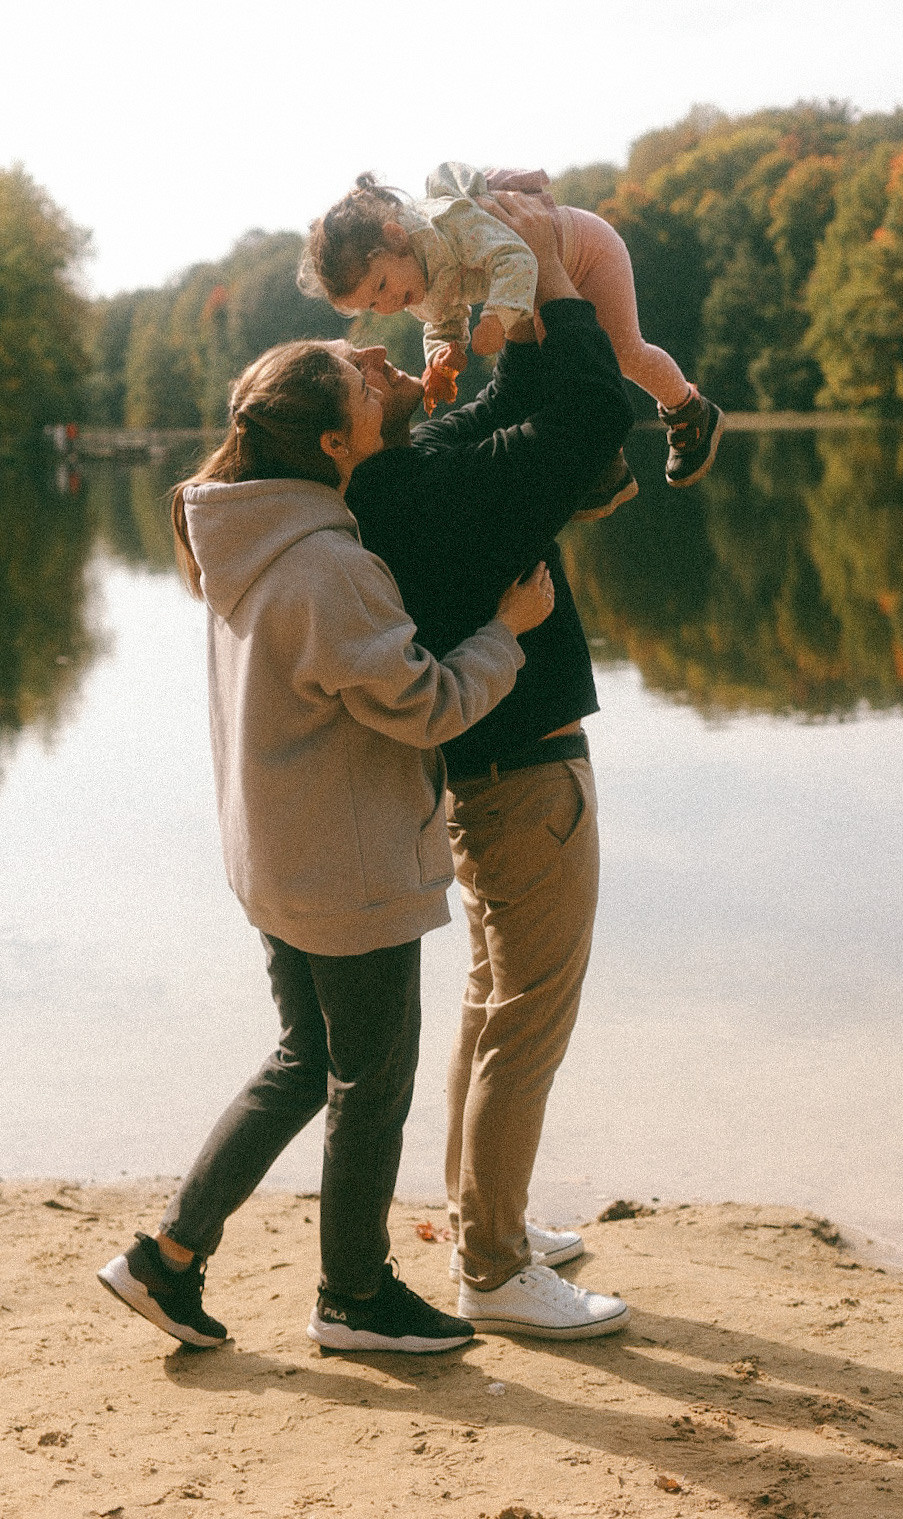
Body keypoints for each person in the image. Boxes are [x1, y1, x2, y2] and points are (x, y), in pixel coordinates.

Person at [97, 338, 558, 1355]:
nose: (373, 373)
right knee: (371, 1081)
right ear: (331, 440)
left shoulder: (244, 536)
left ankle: (164, 1258)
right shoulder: (328, 566)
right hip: (347, 875)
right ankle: (353, 1295)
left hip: (278, 859)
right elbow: (427, 704)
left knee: (307, 1061)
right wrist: (506, 630)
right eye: (358, 385)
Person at [309, 192, 635, 1339]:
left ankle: (476, 1215)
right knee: (527, 1015)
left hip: (484, 780)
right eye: (361, 374)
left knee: (494, 1003)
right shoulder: (436, 489)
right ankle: (494, 1268)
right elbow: (593, 412)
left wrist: (504, 336)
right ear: (342, 435)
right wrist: (546, 275)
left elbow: (519, 407)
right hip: (527, 772)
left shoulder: (405, 476)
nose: (381, 354)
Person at [300, 161, 724, 492]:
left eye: (381, 287)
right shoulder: (411, 283)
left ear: (396, 238)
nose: (389, 305)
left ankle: (689, 408)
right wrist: (442, 358)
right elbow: (441, 322)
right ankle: (602, 464)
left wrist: (492, 319)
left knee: (623, 352)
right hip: (541, 286)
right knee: (557, 370)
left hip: (583, 252)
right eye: (374, 305)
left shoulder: (449, 223)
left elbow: (516, 259)